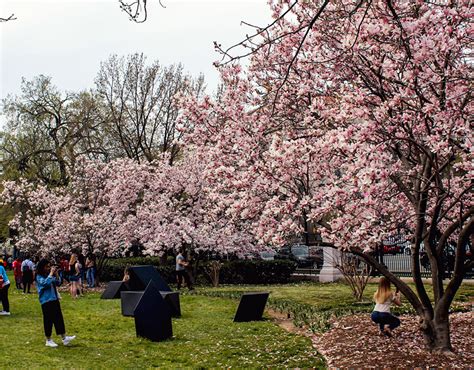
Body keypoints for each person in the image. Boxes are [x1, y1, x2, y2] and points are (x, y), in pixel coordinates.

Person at [35, 259, 76, 347]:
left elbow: (58, 283)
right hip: (46, 301)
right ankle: (48, 339)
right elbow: (45, 283)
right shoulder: (39, 276)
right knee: (48, 320)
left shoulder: (49, 275)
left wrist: (56, 274)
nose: (48, 268)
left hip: (54, 299)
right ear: (42, 267)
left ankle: (64, 338)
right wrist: (50, 274)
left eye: (49, 266)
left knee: (59, 319)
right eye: (47, 266)